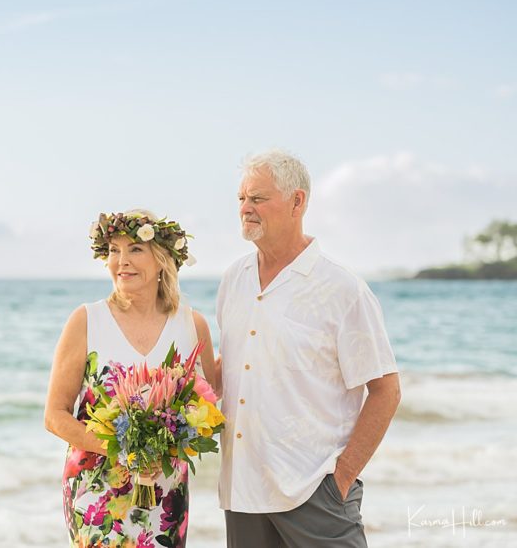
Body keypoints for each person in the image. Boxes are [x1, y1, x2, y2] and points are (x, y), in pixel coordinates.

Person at [217, 150, 400, 548]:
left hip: (314, 491)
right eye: (241, 199)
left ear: (297, 202)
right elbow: (236, 368)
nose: (245, 208)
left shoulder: (342, 289)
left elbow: (386, 390)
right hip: (242, 490)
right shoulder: (234, 279)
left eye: (258, 199)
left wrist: (343, 477)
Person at [45, 210, 220, 547]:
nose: (121, 261)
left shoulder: (191, 325)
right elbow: (55, 416)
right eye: (113, 250)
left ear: (161, 260)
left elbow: (207, 406)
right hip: (97, 493)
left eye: (135, 250)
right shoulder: (86, 320)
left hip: (166, 493)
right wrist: (123, 451)